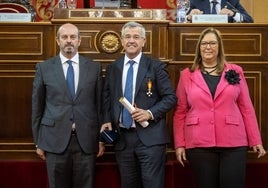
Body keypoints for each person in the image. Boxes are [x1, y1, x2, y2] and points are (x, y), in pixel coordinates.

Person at [173, 27, 266, 188]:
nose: (208, 47)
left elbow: (246, 108)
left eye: (212, 43)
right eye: (204, 43)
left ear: (219, 47)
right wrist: (179, 144)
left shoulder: (235, 71)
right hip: (199, 143)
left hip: (233, 143)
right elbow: (180, 112)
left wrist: (256, 139)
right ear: (199, 48)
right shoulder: (187, 74)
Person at [101, 21, 177, 188]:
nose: (131, 40)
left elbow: (170, 98)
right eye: (127, 37)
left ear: (144, 41)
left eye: (136, 37)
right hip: (123, 140)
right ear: (121, 41)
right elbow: (107, 97)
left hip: (150, 139)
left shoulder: (156, 66)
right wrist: (106, 119)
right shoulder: (113, 68)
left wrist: (149, 113)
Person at [32, 23, 104, 188]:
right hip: (54, 141)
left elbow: (100, 106)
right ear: (58, 41)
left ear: (79, 40)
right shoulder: (44, 68)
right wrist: (38, 141)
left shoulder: (94, 68)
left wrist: (101, 139)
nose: (69, 41)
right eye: (64, 37)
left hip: (86, 141)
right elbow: (37, 107)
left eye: (73, 37)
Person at [186, 0, 253, 23]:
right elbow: (182, 21)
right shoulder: (196, 1)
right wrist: (189, 17)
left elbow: (249, 20)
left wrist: (233, 14)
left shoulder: (231, 1)